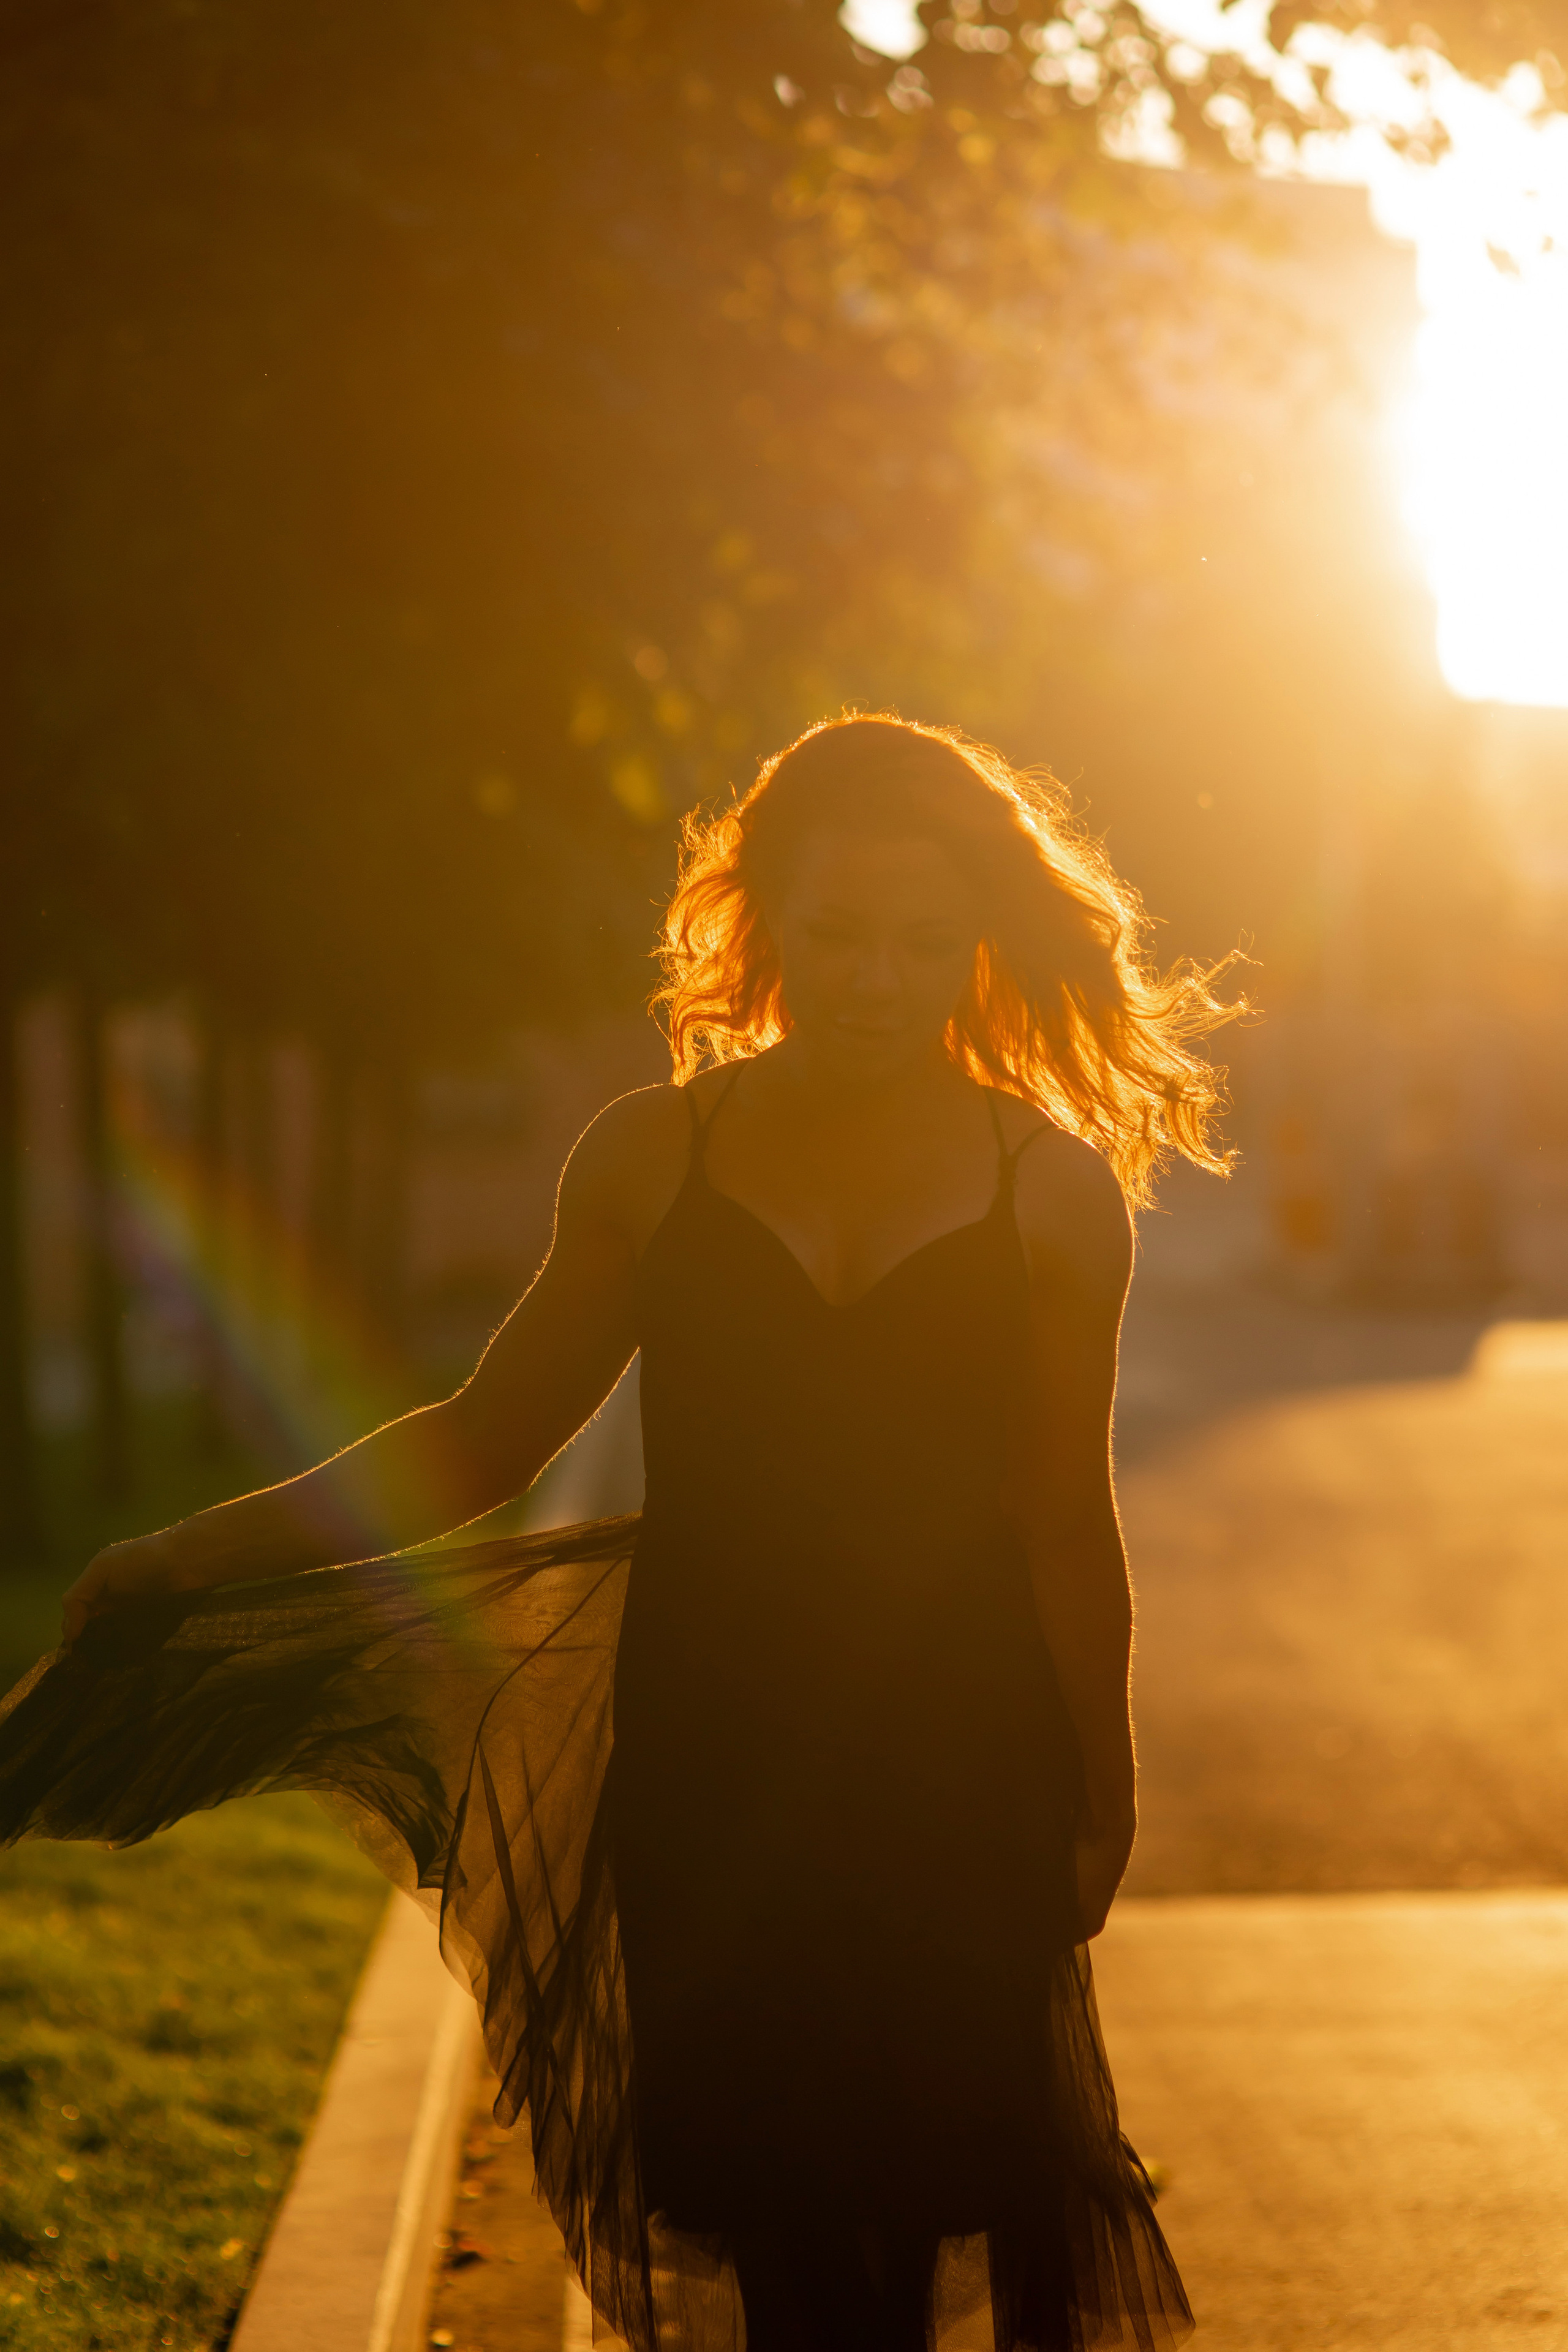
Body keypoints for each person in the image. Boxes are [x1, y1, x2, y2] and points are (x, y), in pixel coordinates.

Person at [1, 714, 1235, 2352]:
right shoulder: (655, 1158)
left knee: (921, 2203)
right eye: (839, 931)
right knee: (790, 2231)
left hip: (958, 1764)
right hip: (715, 1761)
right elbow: (482, 1442)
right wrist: (188, 1557)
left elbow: (1065, 1518)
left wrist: (1104, 1790)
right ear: (767, 919)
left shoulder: (1054, 1193)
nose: (877, 977)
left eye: (924, 940)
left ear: (978, 944)